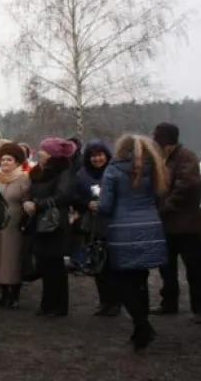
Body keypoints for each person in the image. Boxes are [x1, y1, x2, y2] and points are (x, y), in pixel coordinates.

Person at [95, 134, 169, 352]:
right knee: (140, 279)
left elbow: (106, 205)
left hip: (122, 231)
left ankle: (142, 326)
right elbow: (158, 198)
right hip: (150, 227)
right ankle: (140, 330)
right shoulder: (154, 168)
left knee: (122, 281)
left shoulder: (114, 170)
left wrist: (97, 206)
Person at [151, 123, 201, 323]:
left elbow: (188, 185)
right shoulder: (166, 158)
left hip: (187, 226)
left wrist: (165, 206)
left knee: (195, 268)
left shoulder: (186, 157)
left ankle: (199, 308)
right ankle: (169, 303)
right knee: (166, 267)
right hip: (168, 225)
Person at [24, 138, 76, 318]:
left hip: (54, 225)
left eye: (44, 150)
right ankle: (47, 302)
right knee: (44, 264)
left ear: (53, 155)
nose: (40, 153)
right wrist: (28, 203)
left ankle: (59, 305)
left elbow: (63, 197)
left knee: (56, 266)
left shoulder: (64, 173)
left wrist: (38, 205)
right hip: (40, 223)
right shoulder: (39, 172)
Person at [70, 139, 118, 316]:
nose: (97, 159)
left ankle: (115, 301)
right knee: (97, 262)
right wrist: (87, 204)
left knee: (112, 263)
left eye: (100, 155)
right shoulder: (81, 175)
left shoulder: (114, 172)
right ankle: (103, 300)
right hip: (92, 224)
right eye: (93, 155)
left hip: (111, 223)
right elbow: (74, 196)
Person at [0, 142, 31, 309]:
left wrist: (28, 207)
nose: (5, 163)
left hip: (15, 226)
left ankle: (15, 293)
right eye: (3, 159)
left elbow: (28, 199)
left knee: (13, 260)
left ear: (17, 162)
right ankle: (3, 289)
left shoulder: (24, 179)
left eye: (9, 160)